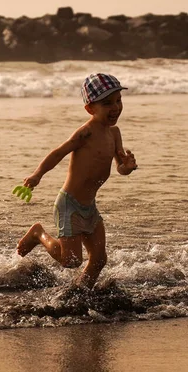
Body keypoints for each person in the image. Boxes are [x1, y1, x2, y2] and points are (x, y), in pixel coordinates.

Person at [16, 73, 138, 289]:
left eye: (118, 101)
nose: (116, 108)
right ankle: (38, 233)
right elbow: (58, 153)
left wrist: (126, 167)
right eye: (107, 103)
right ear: (90, 109)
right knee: (71, 260)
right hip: (69, 205)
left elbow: (120, 167)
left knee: (99, 259)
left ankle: (80, 291)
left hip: (89, 206)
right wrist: (37, 174)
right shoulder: (86, 133)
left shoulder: (115, 133)